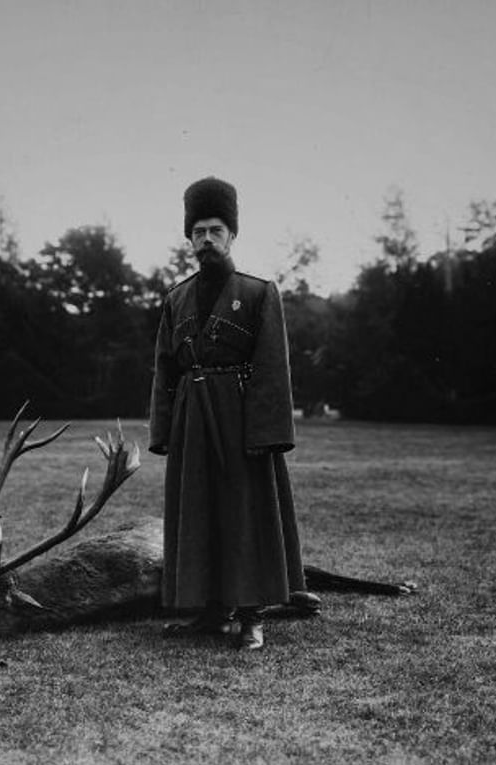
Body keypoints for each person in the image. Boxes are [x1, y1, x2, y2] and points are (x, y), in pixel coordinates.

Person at [148, 176, 307, 651]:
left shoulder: (258, 293)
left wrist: (265, 433)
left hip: (241, 422)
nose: (208, 240)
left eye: (217, 230)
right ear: (189, 239)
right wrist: (164, 429)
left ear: (232, 235)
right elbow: (163, 368)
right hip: (192, 418)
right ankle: (212, 612)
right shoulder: (176, 298)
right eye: (199, 232)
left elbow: (272, 369)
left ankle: (252, 615)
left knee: (244, 514)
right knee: (198, 512)